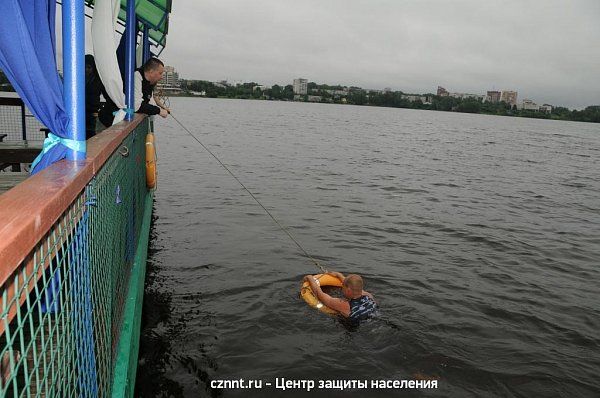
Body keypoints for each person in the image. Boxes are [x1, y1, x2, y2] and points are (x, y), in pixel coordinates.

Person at [98, 57, 169, 127]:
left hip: (121, 119)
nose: (161, 77)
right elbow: (137, 106)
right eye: (160, 73)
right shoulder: (135, 77)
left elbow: (150, 102)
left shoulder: (149, 83)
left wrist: (161, 109)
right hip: (111, 116)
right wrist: (159, 111)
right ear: (151, 72)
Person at [303, 271, 378, 322]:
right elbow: (354, 285)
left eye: (343, 287)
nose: (342, 288)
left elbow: (319, 294)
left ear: (348, 290)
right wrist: (339, 275)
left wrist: (310, 278)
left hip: (356, 326)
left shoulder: (344, 305)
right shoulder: (368, 296)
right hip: (374, 318)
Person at [84, 55, 104, 139]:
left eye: (89, 67)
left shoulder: (98, 80)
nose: (86, 70)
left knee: (91, 136)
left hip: (93, 113)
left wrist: (99, 109)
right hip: (82, 113)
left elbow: (107, 95)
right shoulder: (79, 78)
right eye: (84, 67)